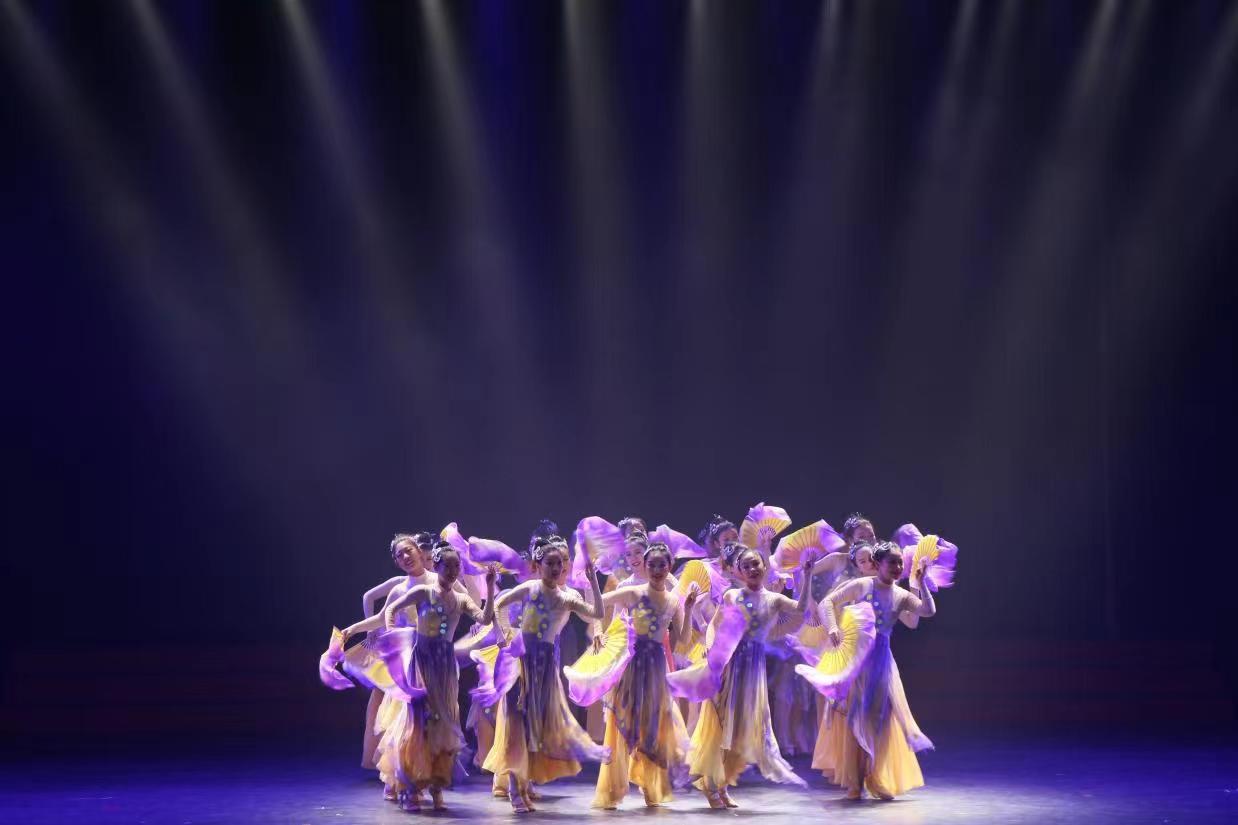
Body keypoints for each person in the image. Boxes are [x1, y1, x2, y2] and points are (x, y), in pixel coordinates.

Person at [672, 545, 813, 808]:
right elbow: (714, 625)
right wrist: (710, 647)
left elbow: (802, 608)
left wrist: (807, 575)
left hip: (754, 670)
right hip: (730, 665)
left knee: (741, 730)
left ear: (764, 566)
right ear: (738, 571)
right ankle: (711, 786)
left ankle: (722, 785)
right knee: (723, 725)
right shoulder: (731, 596)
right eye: (746, 566)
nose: (752, 569)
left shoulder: (774, 599)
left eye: (755, 563)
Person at [482, 536, 608, 813]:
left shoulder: (566, 598)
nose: (556, 568)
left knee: (536, 726)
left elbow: (596, 613)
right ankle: (514, 788)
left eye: (560, 563)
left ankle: (524, 783)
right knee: (517, 723)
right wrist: (503, 635)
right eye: (550, 563)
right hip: (521, 662)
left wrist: (593, 582)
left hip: (546, 667)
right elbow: (500, 604)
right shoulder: (530, 588)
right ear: (538, 566)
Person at [814, 541, 937, 800]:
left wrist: (920, 582)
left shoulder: (900, 595)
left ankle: (876, 776)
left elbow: (927, 611)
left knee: (881, 719)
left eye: (900, 562)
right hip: (858, 660)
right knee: (855, 716)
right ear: (877, 563)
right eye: (892, 562)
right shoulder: (862, 585)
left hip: (882, 663)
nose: (897, 566)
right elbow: (827, 602)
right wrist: (832, 627)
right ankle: (855, 781)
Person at [580, 542, 698, 809]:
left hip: (656, 668)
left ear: (669, 567)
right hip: (632, 666)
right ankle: (612, 790)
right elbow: (596, 608)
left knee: (653, 727)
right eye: (651, 564)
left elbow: (682, 639)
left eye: (661, 564)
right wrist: (593, 583)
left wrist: (689, 609)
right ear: (645, 566)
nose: (656, 569)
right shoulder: (633, 592)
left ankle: (650, 786)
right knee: (622, 725)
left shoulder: (672, 600)